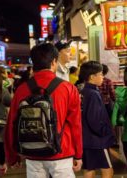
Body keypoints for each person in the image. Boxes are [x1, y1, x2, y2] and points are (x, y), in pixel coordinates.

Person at [5, 43, 83, 177]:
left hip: (32, 152)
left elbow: (12, 124)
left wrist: (12, 156)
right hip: (61, 153)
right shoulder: (68, 88)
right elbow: (75, 124)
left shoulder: (22, 89)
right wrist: (78, 154)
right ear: (54, 62)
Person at [80, 61, 114, 178]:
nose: (102, 77)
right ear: (92, 77)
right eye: (100, 74)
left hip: (87, 139)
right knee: (107, 169)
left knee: (89, 168)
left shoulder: (84, 91)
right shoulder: (93, 93)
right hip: (98, 140)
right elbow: (94, 119)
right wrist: (105, 132)